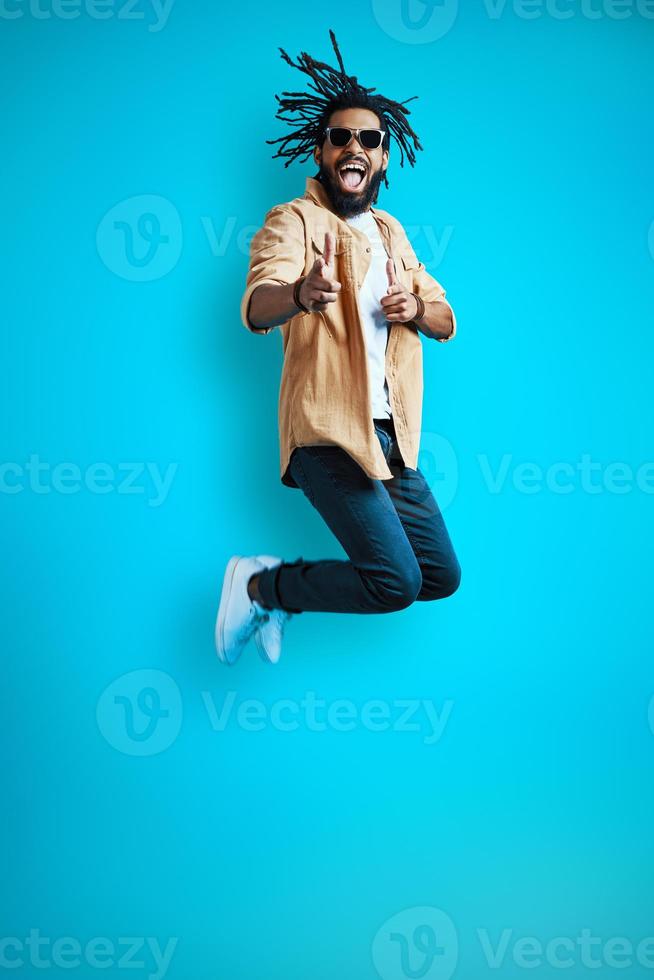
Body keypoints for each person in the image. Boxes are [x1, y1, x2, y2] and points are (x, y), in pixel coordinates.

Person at [215, 30, 461, 666]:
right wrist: (302, 291)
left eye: (369, 139)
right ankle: (259, 585)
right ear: (322, 151)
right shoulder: (293, 222)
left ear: (383, 157)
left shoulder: (391, 231)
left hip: (390, 438)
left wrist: (417, 308)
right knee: (395, 583)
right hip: (327, 432)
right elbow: (256, 304)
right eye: (341, 137)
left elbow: (445, 316)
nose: (355, 146)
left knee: (439, 578)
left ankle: (274, 589)